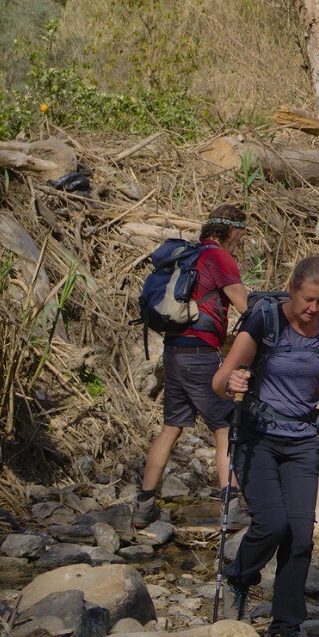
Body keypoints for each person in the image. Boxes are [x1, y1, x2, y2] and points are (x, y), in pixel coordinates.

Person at [213, 256, 319, 637]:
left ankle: (285, 632)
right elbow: (221, 379)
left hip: (300, 442)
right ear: (292, 288)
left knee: (300, 537)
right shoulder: (264, 322)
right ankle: (239, 577)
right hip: (256, 438)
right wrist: (234, 383)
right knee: (272, 523)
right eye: (308, 300)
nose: (313, 309)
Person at [137, 204, 250, 514]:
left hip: (174, 351)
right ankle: (231, 504)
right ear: (231, 230)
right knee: (226, 427)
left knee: (171, 427)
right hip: (200, 354)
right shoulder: (218, 257)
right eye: (241, 233)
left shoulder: (192, 255)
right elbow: (244, 304)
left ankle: (144, 504)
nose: (241, 240)